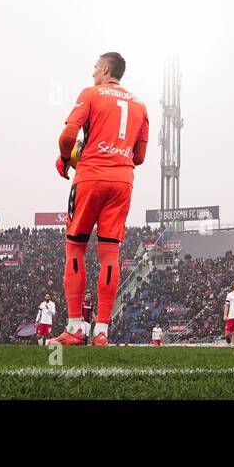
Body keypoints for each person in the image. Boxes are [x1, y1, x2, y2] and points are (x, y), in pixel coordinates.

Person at [49, 52, 150, 347]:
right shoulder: (141, 106)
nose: (93, 72)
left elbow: (67, 135)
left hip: (90, 178)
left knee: (76, 248)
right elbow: (140, 157)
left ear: (105, 69)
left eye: (95, 67)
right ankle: (102, 331)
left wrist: (68, 158)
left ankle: (74, 329)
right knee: (109, 254)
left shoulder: (91, 94)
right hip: (122, 183)